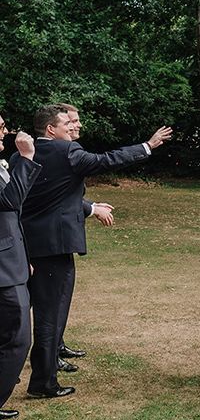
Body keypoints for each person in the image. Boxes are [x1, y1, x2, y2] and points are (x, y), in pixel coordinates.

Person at [14, 104, 172, 399]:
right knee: (51, 315)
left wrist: (90, 208)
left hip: (26, 244)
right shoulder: (67, 152)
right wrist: (147, 147)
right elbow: (107, 160)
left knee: (26, 310)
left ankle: (34, 370)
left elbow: (47, 195)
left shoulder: (22, 155)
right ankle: (42, 383)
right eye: (67, 125)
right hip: (56, 246)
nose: (72, 129)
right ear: (51, 129)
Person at [55, 103, 115, 372]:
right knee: (52, 298)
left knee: (61, 295)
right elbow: (54, 200)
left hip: (60, 237)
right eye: (73, 121)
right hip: (49, 239)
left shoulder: (62, 151)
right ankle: (48, 353)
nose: (77, 125)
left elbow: (67, 196)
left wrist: (90, 205)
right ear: (57, 125)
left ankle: (56, 344)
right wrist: (92, 209)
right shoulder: (58, 153)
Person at [0, 118, 42, 420]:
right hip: (2, 272)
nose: (5, 131)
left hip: (11, 263)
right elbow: (9, 201)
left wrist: (23, 257)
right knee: (17, 339)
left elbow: (12, 216)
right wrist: (26, 158)